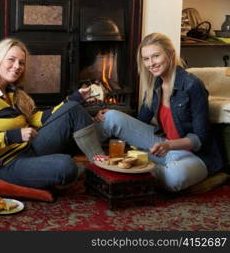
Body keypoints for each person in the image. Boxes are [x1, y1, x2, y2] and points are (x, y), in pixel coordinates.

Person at [0, 38, 104, 189]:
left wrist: (76, 98)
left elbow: (40, 119)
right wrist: (16, 135)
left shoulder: (12, 92)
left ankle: (101, 165)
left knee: (73, 108)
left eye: (21, 63)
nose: (17, 66)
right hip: (5, 165)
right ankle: (76, 170)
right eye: (11, 59)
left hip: (30, 148)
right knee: (66, 165)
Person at [92, 33, 223, 192]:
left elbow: (201, 137)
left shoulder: (192, 85)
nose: (150, 63)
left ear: (170, 54)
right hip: (162, 147)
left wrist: (169, 145)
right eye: (146, 59)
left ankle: (135, 171)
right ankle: (96, 161)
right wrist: (114, 113)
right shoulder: (155, 84)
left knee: (175, 176)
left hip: (194, 155)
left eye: (155, 56)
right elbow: (141, 121)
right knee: (111, 117)